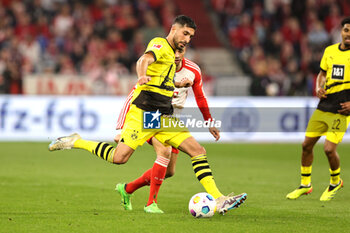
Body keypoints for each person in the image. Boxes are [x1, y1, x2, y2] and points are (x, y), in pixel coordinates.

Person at [48, 15, 247, 214]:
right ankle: (77, 141)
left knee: (198, 151)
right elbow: (144, 59)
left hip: (165, 117)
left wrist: (179, 85)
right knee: (119, 158)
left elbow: (164, 81)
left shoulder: (175, 58)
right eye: (185, 33)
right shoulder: (160, 44)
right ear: (174, 29)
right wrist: (141, 75)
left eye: (190, 36)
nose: (187, 39)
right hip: (145, 115)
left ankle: (220, 199)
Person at [114, 47, 222, 212]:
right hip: (151, 116)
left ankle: (127, 189)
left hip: (171, 121)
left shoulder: (193, 70)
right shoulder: (158, 67)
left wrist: (209, 121)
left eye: (181, 51)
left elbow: (200, 97)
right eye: (175, 52)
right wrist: (121, 128)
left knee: (169, 171)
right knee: (164, 151)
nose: (177, 55)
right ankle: (151, 204)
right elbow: (134, 94)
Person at [286, 17, 350, 201]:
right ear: (341, 31)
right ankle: (305, 185)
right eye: (346, 30)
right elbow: (322, 74)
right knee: (306, 145)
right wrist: (318, 88)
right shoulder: (330, 51)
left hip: (341, 109)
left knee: (329, 149)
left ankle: (335, 181)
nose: (349, 34)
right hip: (324, 107)